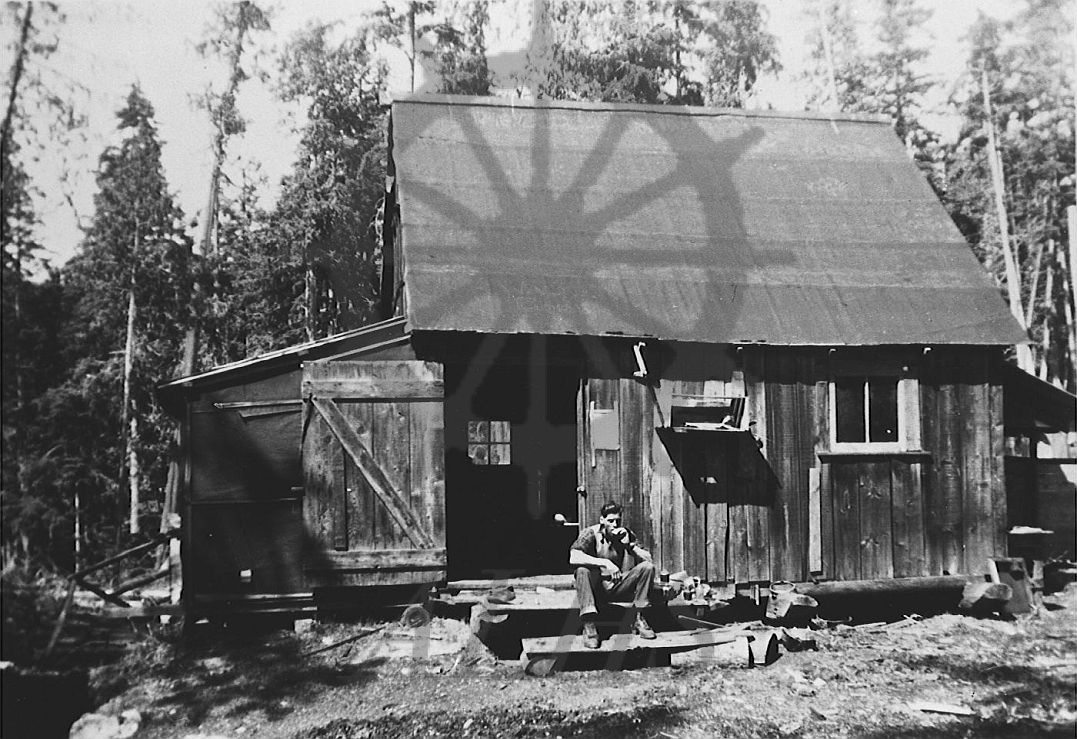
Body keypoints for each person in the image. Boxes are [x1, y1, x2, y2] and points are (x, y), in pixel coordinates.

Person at [569, 501, 656, 648]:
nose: (615, 524)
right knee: (582, 570)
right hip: (595, 589)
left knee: (647, 568)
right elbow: (573, 556)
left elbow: (648, 559)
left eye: (617, 521)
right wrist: (605, 563)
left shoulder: (624, 533)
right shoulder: (590, 533)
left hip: (617, 584)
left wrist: (630, 546)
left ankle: (639, 618)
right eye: (610, 521)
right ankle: (589, 625)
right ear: (602, 520)